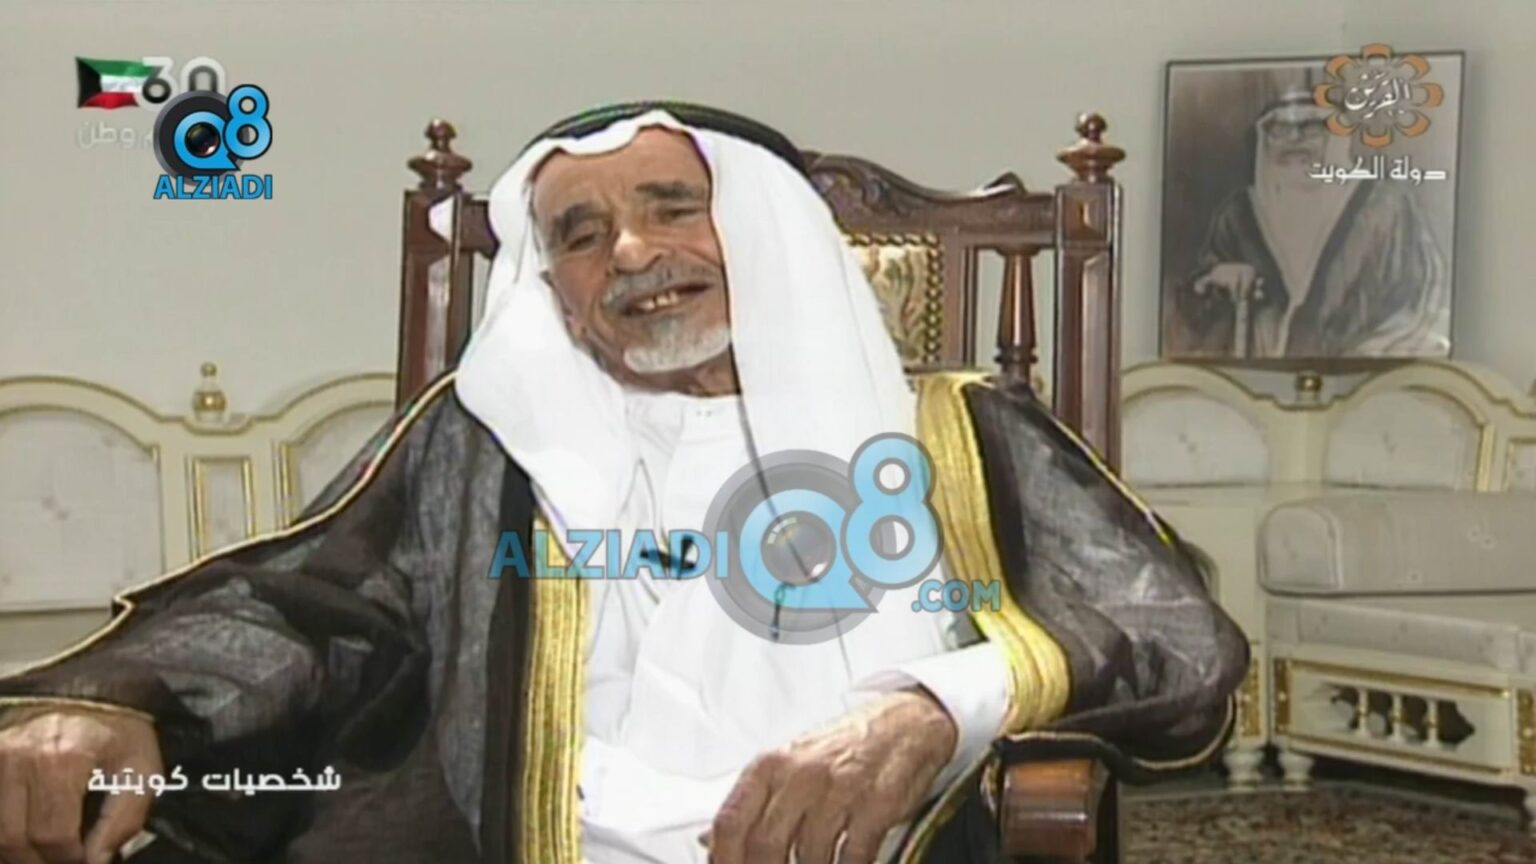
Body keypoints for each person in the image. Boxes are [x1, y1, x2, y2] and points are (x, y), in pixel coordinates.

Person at [0, 102, 1246, 864]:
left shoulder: (956, 431)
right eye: (581, 234)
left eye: (672, 208)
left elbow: (1163, 631)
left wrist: (927, 711)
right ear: (554, 290)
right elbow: (314, 609)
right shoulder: (489, 447)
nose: (632, 252)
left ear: (765, 235)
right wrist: (123, 703)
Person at [1171, 91, 1450, 358]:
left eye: (1310, 128)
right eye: (1279, 130)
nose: (1293, 140)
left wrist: (1370, 355)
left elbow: (1429, 296)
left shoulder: (1385, 205)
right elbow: (1192, 314)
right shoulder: (1238, 213)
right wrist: (1217, 278)